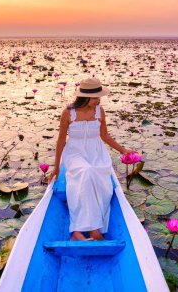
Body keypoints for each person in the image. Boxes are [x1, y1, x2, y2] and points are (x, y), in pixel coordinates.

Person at [48, 77, 135, 241]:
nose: (99, 100)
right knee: (86, 173)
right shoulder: (68, 113)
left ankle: (80, 232)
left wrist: (123, 150)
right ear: (85, 97)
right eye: (96, 97)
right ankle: (91, 229)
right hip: (75, 153)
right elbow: (61, 141)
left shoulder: (99, 111)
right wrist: (56, 167)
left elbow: (104, 135)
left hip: (96, 153)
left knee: (101, 183)